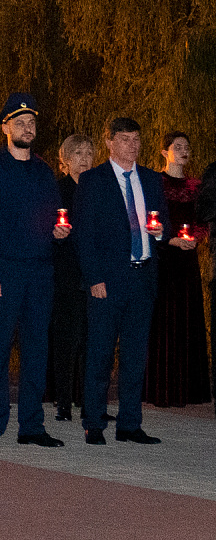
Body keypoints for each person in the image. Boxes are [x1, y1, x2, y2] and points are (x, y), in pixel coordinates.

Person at [0, 94, 71, 448]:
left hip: (40, 273)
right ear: (6, 127)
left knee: (37, 350)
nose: (28, 128)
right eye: (20, 122)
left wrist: (59, 233)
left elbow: (54, 216)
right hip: (3, 273)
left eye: (32, 122)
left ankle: (32, 427)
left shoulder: (43, 170)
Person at [73, 117, 168, 445]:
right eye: (126, 139)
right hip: (107, 281)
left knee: (134, 355)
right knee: (100, 353)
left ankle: (129, 423)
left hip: (142, 278)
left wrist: (160, 233)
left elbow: (163, 223)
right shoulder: (93, 180)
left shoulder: (153, 180)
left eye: (137, 139)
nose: (133, 145)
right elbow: (83, 235)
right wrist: (94, 278)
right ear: (110, 142)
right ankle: (94, 422)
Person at [144, 132, 208, 407]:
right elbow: (147, 219)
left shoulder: (197, 186)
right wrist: (169, 238)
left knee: (187, 317)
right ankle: (161, 388)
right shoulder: (154, 183)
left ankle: (189, 389)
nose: (183, 151)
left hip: (187, 259)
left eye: (187, 147)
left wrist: (196, 237)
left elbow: (204, 219)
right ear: (164, 152)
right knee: (162, 319)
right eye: (177, 147)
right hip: (163, 257)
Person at [47, 134, 95, 422]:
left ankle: (89, 401)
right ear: (65, 161)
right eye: (78, 153)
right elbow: (43, 228)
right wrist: (56, 234)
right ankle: (63, 400)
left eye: (89, 153)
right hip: (65, 273)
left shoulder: (101, 189)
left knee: (93, 339)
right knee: (67, 339)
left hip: (95, 275)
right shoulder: (57, 190)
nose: (85, 158)